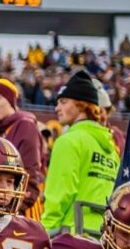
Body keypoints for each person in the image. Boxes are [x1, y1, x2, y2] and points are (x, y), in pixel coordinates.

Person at [41, 71, 120, 236]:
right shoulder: (112, 149)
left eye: (63, 102)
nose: (57, 108)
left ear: (81, 104)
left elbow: (60, 194)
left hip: (71, 236)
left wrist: (46, 232)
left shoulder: (68, 141)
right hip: (105, 236)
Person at [0, 78, 45, 219]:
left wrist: (14, 210)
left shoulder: (25, 125)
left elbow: (30, 175)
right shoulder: (0, 132)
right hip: (2, 204)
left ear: (11, 100)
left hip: (22, 208)